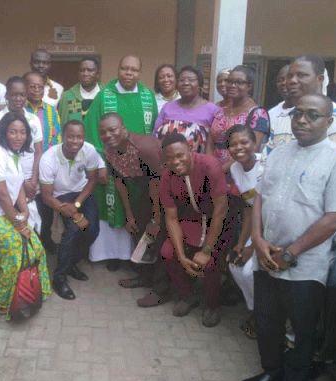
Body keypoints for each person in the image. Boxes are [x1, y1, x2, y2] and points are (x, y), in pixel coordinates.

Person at [241, 94, 336, 381]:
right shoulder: (278, 151)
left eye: (312, 115)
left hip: (304, 265)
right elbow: (259, 198)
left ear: (329, 121)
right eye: (297, 114)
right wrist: (259, 240)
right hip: (267, 255)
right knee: (267, 322)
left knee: (303, 330)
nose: (302, 120)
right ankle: (272, 372)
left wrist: (291, 252)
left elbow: (335, 217)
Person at [0, 112, 52, 316]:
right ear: (3, 133)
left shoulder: (14, 155)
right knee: (16, 253)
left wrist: (24, 210)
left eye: (23, 132)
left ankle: (32, 291)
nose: (18, 136)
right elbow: (1, 193)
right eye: (13, 132)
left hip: (6, 213)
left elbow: (19, 188)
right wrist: (18, 222)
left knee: (37, 248)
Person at [84, 55, 158, 271]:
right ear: (117, 69)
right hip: (110, 164)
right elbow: (92, 131)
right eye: (124, 68)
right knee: (113, 204)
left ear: (139, 72)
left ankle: (137, 256)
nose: (128, 73)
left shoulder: (147, 96)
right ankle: (112, 254)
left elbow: (152, 132)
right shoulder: (105, 95)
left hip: (141, 167)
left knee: (141, 206)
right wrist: (102, 163)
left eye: (133, 70)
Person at [99, 113, 172, 307]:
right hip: (144, 189)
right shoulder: (110, 149)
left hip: (166, 191)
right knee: (138, 230)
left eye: (112, 129)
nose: (108, 135)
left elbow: (157, 183)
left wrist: (157, 220)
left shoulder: (143, 148)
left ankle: (161, 290)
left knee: (160, 239)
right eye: (103, 132)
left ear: (124, 129)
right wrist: (129, 215)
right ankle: (145, 277)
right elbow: (120, 181)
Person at [159, 133, 229, 327]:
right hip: (192, 219)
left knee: (211, 260)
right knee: (168, 252)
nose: (175, 161)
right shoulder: (167, 176)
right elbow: (171, 217)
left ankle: (213, 304)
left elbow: (221, 210)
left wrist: (206, 250)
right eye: (170, 158)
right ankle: (187, 296)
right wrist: (181, 256)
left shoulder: (209, 166)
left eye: (180, 155)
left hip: (219, 220)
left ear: (190, 149)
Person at [40, 120, 101, 299]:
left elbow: (92, 180)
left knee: (92, 230)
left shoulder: (89, 151)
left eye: (79, 137)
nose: (75, 141)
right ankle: (59, 278)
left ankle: (72, 263)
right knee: (73, 230)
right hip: (60, 195)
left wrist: (76, 205)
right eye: (71, 137)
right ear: (63, 137)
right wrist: (65, 209)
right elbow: (46, 195)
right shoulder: (48, 158)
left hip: (82, 194)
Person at [264, 55, 336, 159]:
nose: (292, 81)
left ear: (320, 79)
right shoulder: (282, 118)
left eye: (301, 75)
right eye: (290, 76)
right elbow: (266, 163)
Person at [0, 76, 43, 231]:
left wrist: (33, 179)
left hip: (31, 180)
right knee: (10, 220)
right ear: (6, 95)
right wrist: (21, 181)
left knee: (31, 222)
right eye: (14, 94)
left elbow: (38, 151)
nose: (18, 98)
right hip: (8, 179)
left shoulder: (33, 119)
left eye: (22, 95)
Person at [226, 124, 264, 339]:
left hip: (274, 227)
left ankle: (265, 316)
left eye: (244, 142)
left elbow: (270, 210)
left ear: (254, 143)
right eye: (233, 144)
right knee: (235, 264)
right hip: (255, 225)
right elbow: (249, 208)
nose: (238, 147)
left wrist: (253, 246)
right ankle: (256, 311)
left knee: (250, 270)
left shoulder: (266, 166)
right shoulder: (235, 169)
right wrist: (241, 243)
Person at [24, 71, 62, 251]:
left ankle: (45, 239)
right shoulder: (19, 109)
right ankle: (30, 242)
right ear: (25, 87)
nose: (37, 90)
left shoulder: (51, 110)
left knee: (46, 206)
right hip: (25, 167)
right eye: (32, 86)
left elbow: (57, 138)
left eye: (40, 86)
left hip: (46, 166)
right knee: (26, 206)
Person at [207, 65, 270, 173]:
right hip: (213, 171)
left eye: (239, 82)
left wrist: (221, 171)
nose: (232, 85)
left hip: (238, 173)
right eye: (229, 81)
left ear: (249, 86)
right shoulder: (220, 111)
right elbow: (210, 141)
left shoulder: (258, 114)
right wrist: (209, 165)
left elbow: (250, 150)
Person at [154, 65, 219, 153]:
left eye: (191, 80)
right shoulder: (167, 107)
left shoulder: (212, 110)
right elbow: (155, 136)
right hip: (166, 162)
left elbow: (216, 143)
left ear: (200, 84)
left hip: (198, 164)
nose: (186, 83)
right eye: (182, 80)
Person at [58, 57, 101, 123]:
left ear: (98, 74)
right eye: (82, 70)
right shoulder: (67, 96)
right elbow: (62, 124)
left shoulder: (106, 94)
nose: (85, 74)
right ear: (78, 74)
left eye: (90, 70)